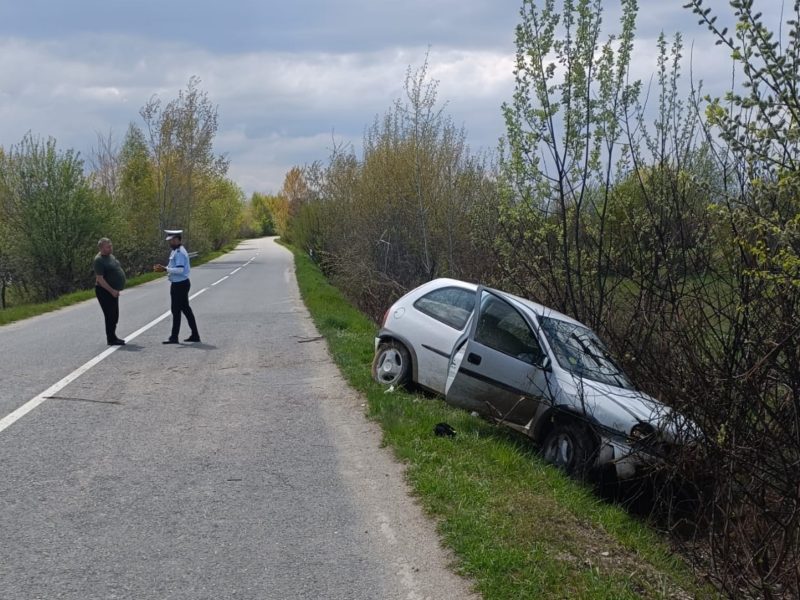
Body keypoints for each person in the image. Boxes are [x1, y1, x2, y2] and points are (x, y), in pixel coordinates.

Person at [154, 230, 200, 344]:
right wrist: (165, 268)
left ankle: (174, 337)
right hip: (179, 284)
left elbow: (180, 270)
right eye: (170, 240)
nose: (171, 242)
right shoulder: (175, 251)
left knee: (176, 310)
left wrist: (166, 269)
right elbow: (172, 267)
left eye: (173, 240)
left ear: (179, 240)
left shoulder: (179, 252)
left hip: (180, 285)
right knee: (186, 310)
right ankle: (195, 335)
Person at [93, 237, 126, 346]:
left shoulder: (110, 256)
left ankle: (114, 336)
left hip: (114, 290)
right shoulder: (99, 260)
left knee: (115, 315)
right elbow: (100, 279)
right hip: (104, 291)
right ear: (102, 248)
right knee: (110, 315)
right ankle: (111, 339)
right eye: (108, 247)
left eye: (111, 246)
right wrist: (112, 291)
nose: (110, 248)